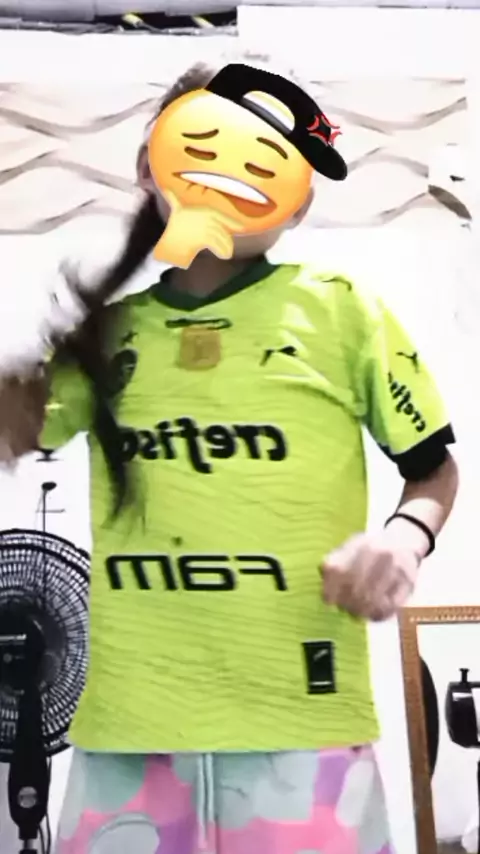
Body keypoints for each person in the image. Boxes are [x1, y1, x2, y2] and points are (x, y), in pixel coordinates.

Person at [0, 62, 458, 854]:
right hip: (129, 739)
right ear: (151, 166)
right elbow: (19, 431)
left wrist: (403, 540)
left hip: (304, 734)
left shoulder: (342, 311)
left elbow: (434, 470)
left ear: (300, 198)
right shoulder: (107, 337)